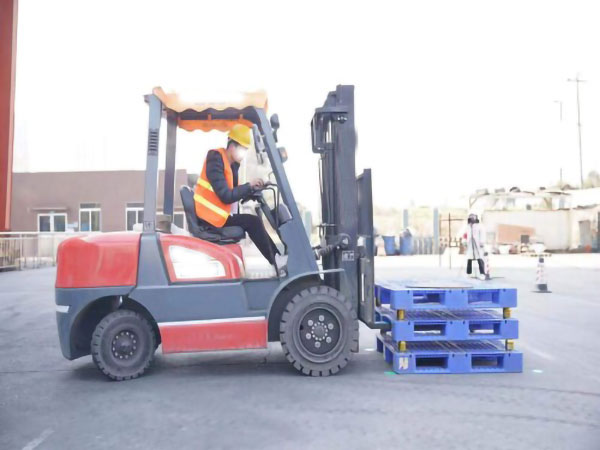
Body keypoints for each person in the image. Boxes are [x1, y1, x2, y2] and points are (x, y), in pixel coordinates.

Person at [193, 123, 286, 270]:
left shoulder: (232, 165)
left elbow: (233, 192)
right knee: (253, 222)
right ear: (231, 145)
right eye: (242, 149)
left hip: (218, 217)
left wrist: (252, 188)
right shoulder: (215, 158)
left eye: (245, 150)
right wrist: (248, 186)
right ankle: (276, 260)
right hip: (210, 219)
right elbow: (226, 195)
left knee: (252, 221)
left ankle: (276, 259)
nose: (243, 153)